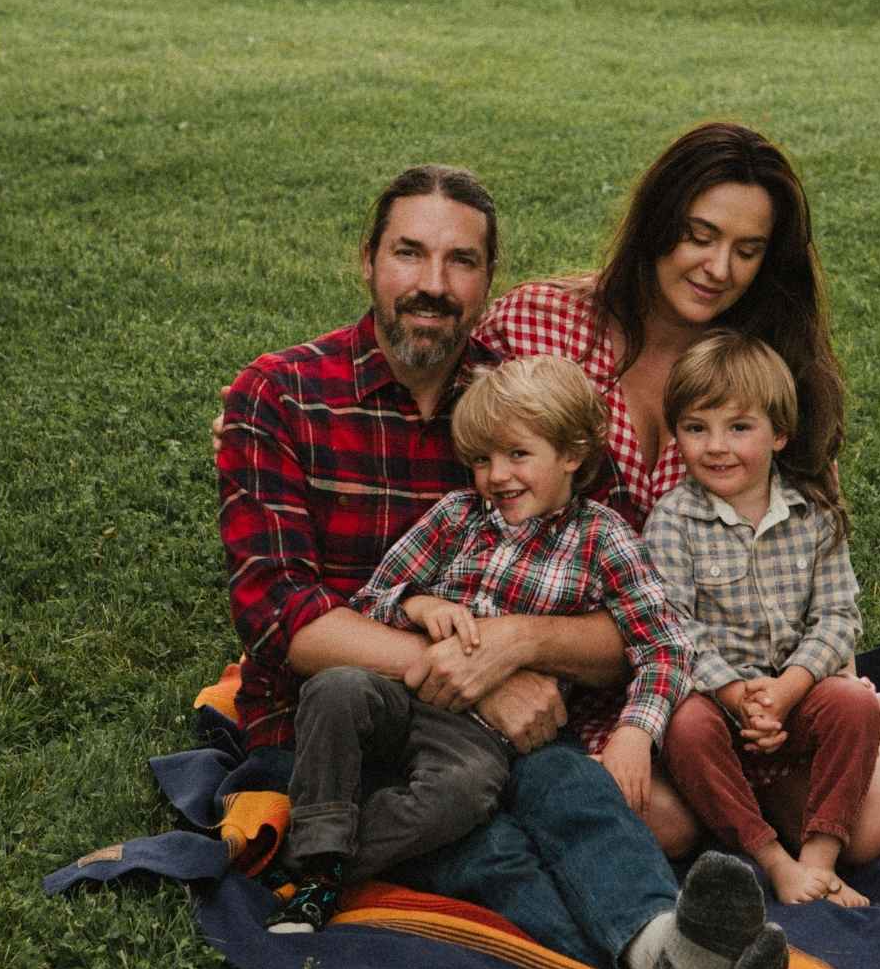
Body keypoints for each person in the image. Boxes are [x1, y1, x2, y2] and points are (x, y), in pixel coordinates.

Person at [217, 164, 787, 969]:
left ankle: (667, 956)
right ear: (368, 259)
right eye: (409, 254)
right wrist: (477, 667)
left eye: (463, 262)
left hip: (502, 733)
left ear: (491, 282)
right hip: (341, 723)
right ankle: (653, 960)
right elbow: (280, 617)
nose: (433, 285)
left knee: (583, 804)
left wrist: (522, 647)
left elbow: (629, 607)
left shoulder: (518, 397)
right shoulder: (281, 394)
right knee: (487, 840)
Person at [475, 121, 880, 858]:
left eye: (747, 251)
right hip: (572, 672)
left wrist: (818, 689)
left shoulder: (768, 372)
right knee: (661, 822)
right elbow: (460, 466)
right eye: (699, 235)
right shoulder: (539, 324)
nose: (718, 267)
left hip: (725, 683)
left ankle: (844, 729)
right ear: (658, 222)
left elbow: (811, 549)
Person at [268, 354, 694, 933]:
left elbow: (665, 645)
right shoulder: (456, 517)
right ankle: (322, 843)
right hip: (401, 691)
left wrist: (636, 732)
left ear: (571, 454)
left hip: (477, 736)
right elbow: (371, 600)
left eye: (518, 455)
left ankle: (322, 866)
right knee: (336, 688)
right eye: (482, 460)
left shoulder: (603, 539)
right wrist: (418, 604)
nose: (497, 476)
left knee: (463, 794)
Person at [646, 331, 880, 907]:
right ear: (677, 436)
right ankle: (773, 859)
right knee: (684, 728)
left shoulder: (812, 515)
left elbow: (839, 616)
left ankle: (820, 857)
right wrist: (740, 694)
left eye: (739, 427)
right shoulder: (672, 521)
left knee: (852, 704)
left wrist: (791, 689)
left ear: (779, 434)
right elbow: (674, 625)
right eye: (697, 428)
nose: (716, 446)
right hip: (722, 703)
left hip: (798, 692)